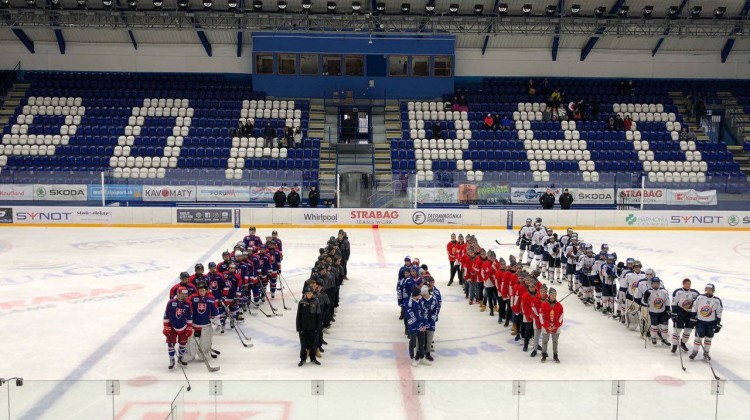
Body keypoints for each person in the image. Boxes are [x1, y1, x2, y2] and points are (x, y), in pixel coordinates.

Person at [186, 282, 219, 362]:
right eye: (200, 290)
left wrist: (216, 322)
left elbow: (214, 311)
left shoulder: (211, 298)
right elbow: (187, 308)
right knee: (190, 342)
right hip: (194, 325)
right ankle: (189, 355)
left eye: (203, 290)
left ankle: (204, 354)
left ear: (206, 290)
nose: (201, 292)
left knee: (205, 342)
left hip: (206, 325)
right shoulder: (192, 297)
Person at [689, 283, 723, 361]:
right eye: (707, 289)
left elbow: (719, 313)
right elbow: (694, 308)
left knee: (708, 339)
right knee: (698, 338)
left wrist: (718, 323)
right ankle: (694, 352)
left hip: (711, 323)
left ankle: (706, 353)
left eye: (710, 289)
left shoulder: (717, 300)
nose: (708, 291)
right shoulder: (700, 297)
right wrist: (693, 319)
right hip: (700, 322)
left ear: (713, 290)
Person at [163, 287, 193, 369]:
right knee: (171, 343)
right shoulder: (171, 302)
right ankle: (171, 360)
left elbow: (189, 316)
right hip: (172, 326)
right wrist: (166, 326)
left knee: (183, 344)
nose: (185, 295)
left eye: (186, 294)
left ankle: (180, 358)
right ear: (178, 293)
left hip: (183, 327)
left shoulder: (188, 304)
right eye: (183, 294)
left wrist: (189, 327)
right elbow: (166, 315)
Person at [671, 278, 700, 353]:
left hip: (690, 313)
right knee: (677, 330)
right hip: (680, 312)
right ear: (683, 284)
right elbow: (674, 303)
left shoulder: (695, 293)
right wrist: (674, 313)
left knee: (688, 330)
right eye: (686, 284)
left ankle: (683, 343)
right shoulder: (678, 291)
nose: (688, 285)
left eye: (689, 284)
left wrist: (696, 315)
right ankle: (674, 345)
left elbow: (699, 304)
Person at [296, 286, 322, 366]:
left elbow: (318, 315)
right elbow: (298, 316)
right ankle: (303, 359)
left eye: (310, 293)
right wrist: (298, 327)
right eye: (308, 293)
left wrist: (318, 327)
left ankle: (313, 358)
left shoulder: (316, 302)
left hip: (312, 328)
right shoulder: (301, 302)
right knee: (303, 345)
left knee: (312, 344)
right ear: (305, 294)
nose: (309, 295)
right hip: (303, 328)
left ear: (312, 293)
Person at [643, 277, 671, 346]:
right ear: (651, 284)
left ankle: (664, 339)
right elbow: (645, 302)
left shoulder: (664, 291)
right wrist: (645, 298)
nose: (655, 285)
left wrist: (668, 310)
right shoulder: (648, 291)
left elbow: (667, 301)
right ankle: (653, 337)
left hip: (663, 312)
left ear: (659, 284)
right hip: (653, 312)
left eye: (657, 283)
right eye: (654, 283)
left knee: (664, 326)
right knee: (654, 326)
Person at [405, 288, 429, 367]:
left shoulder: (420, 301)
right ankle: (412, 358)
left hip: (421, 326)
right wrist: (418, 326)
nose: (420, 295)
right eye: (419, 294)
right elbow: (410, 317)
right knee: (412, 343)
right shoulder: (409, 303)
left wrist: (425, 324)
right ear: (416, 295)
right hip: (413, 327)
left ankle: (422, 358)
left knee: (421, 343)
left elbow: (425, 312)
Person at [540, 287, 563, 363]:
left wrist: (555, 326)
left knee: (555, 341)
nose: (553, 296)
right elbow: (541, 316)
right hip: (546, 326)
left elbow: (561, 317)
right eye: (552, 295)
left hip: (556, 326)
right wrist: (548, 326)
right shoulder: (544, 305)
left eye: (555, 295)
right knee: (545, 341)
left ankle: (555, 355)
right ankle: (544, 354)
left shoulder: (559, 306)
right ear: (549, 295)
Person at [420, 284, 439, 361]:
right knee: (422, 337)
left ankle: (428, 353)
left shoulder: (434, 299)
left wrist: (432, 320)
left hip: (431, 321)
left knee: (429, 337)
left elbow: (436, 310)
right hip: (423, 321)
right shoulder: (421, 300)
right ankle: (421, 351)